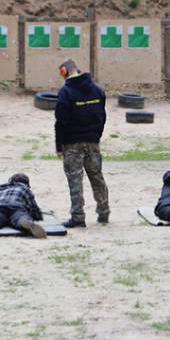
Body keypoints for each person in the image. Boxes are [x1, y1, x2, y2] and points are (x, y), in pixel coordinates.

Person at [54, 59, 110, 228]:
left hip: (72, 144)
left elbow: (61, 122)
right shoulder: (97, 91)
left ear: (64, 72)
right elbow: (102, 117)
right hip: (93, 142)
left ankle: (78, 216)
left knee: (75, 180)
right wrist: (95, 137)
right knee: (97, 177)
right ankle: (104, 212)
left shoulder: (66, 92)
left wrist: (59, 146)